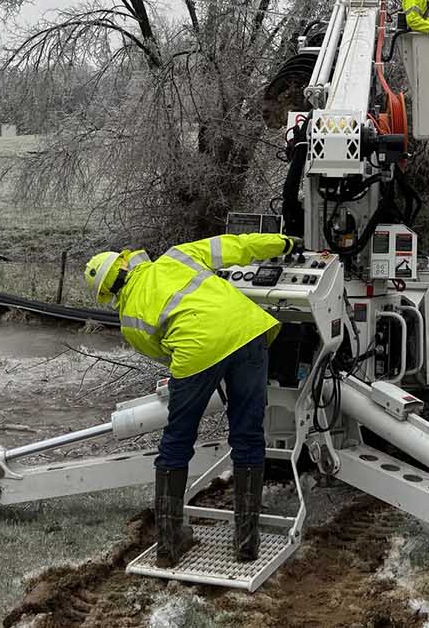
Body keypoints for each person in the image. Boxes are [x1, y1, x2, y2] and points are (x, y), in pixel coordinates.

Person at [83, 231, 300, 566]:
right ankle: (246, 544)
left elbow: (166, 355)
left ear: (108, 295)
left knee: (177, 441)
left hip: (194, 356)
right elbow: (238, 246)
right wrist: (284, 243)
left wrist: (197, 376)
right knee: (248, 435)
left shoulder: (129, 323)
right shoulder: (176, 256)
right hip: (247, 333)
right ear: (127, 261)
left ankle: (169, 546)